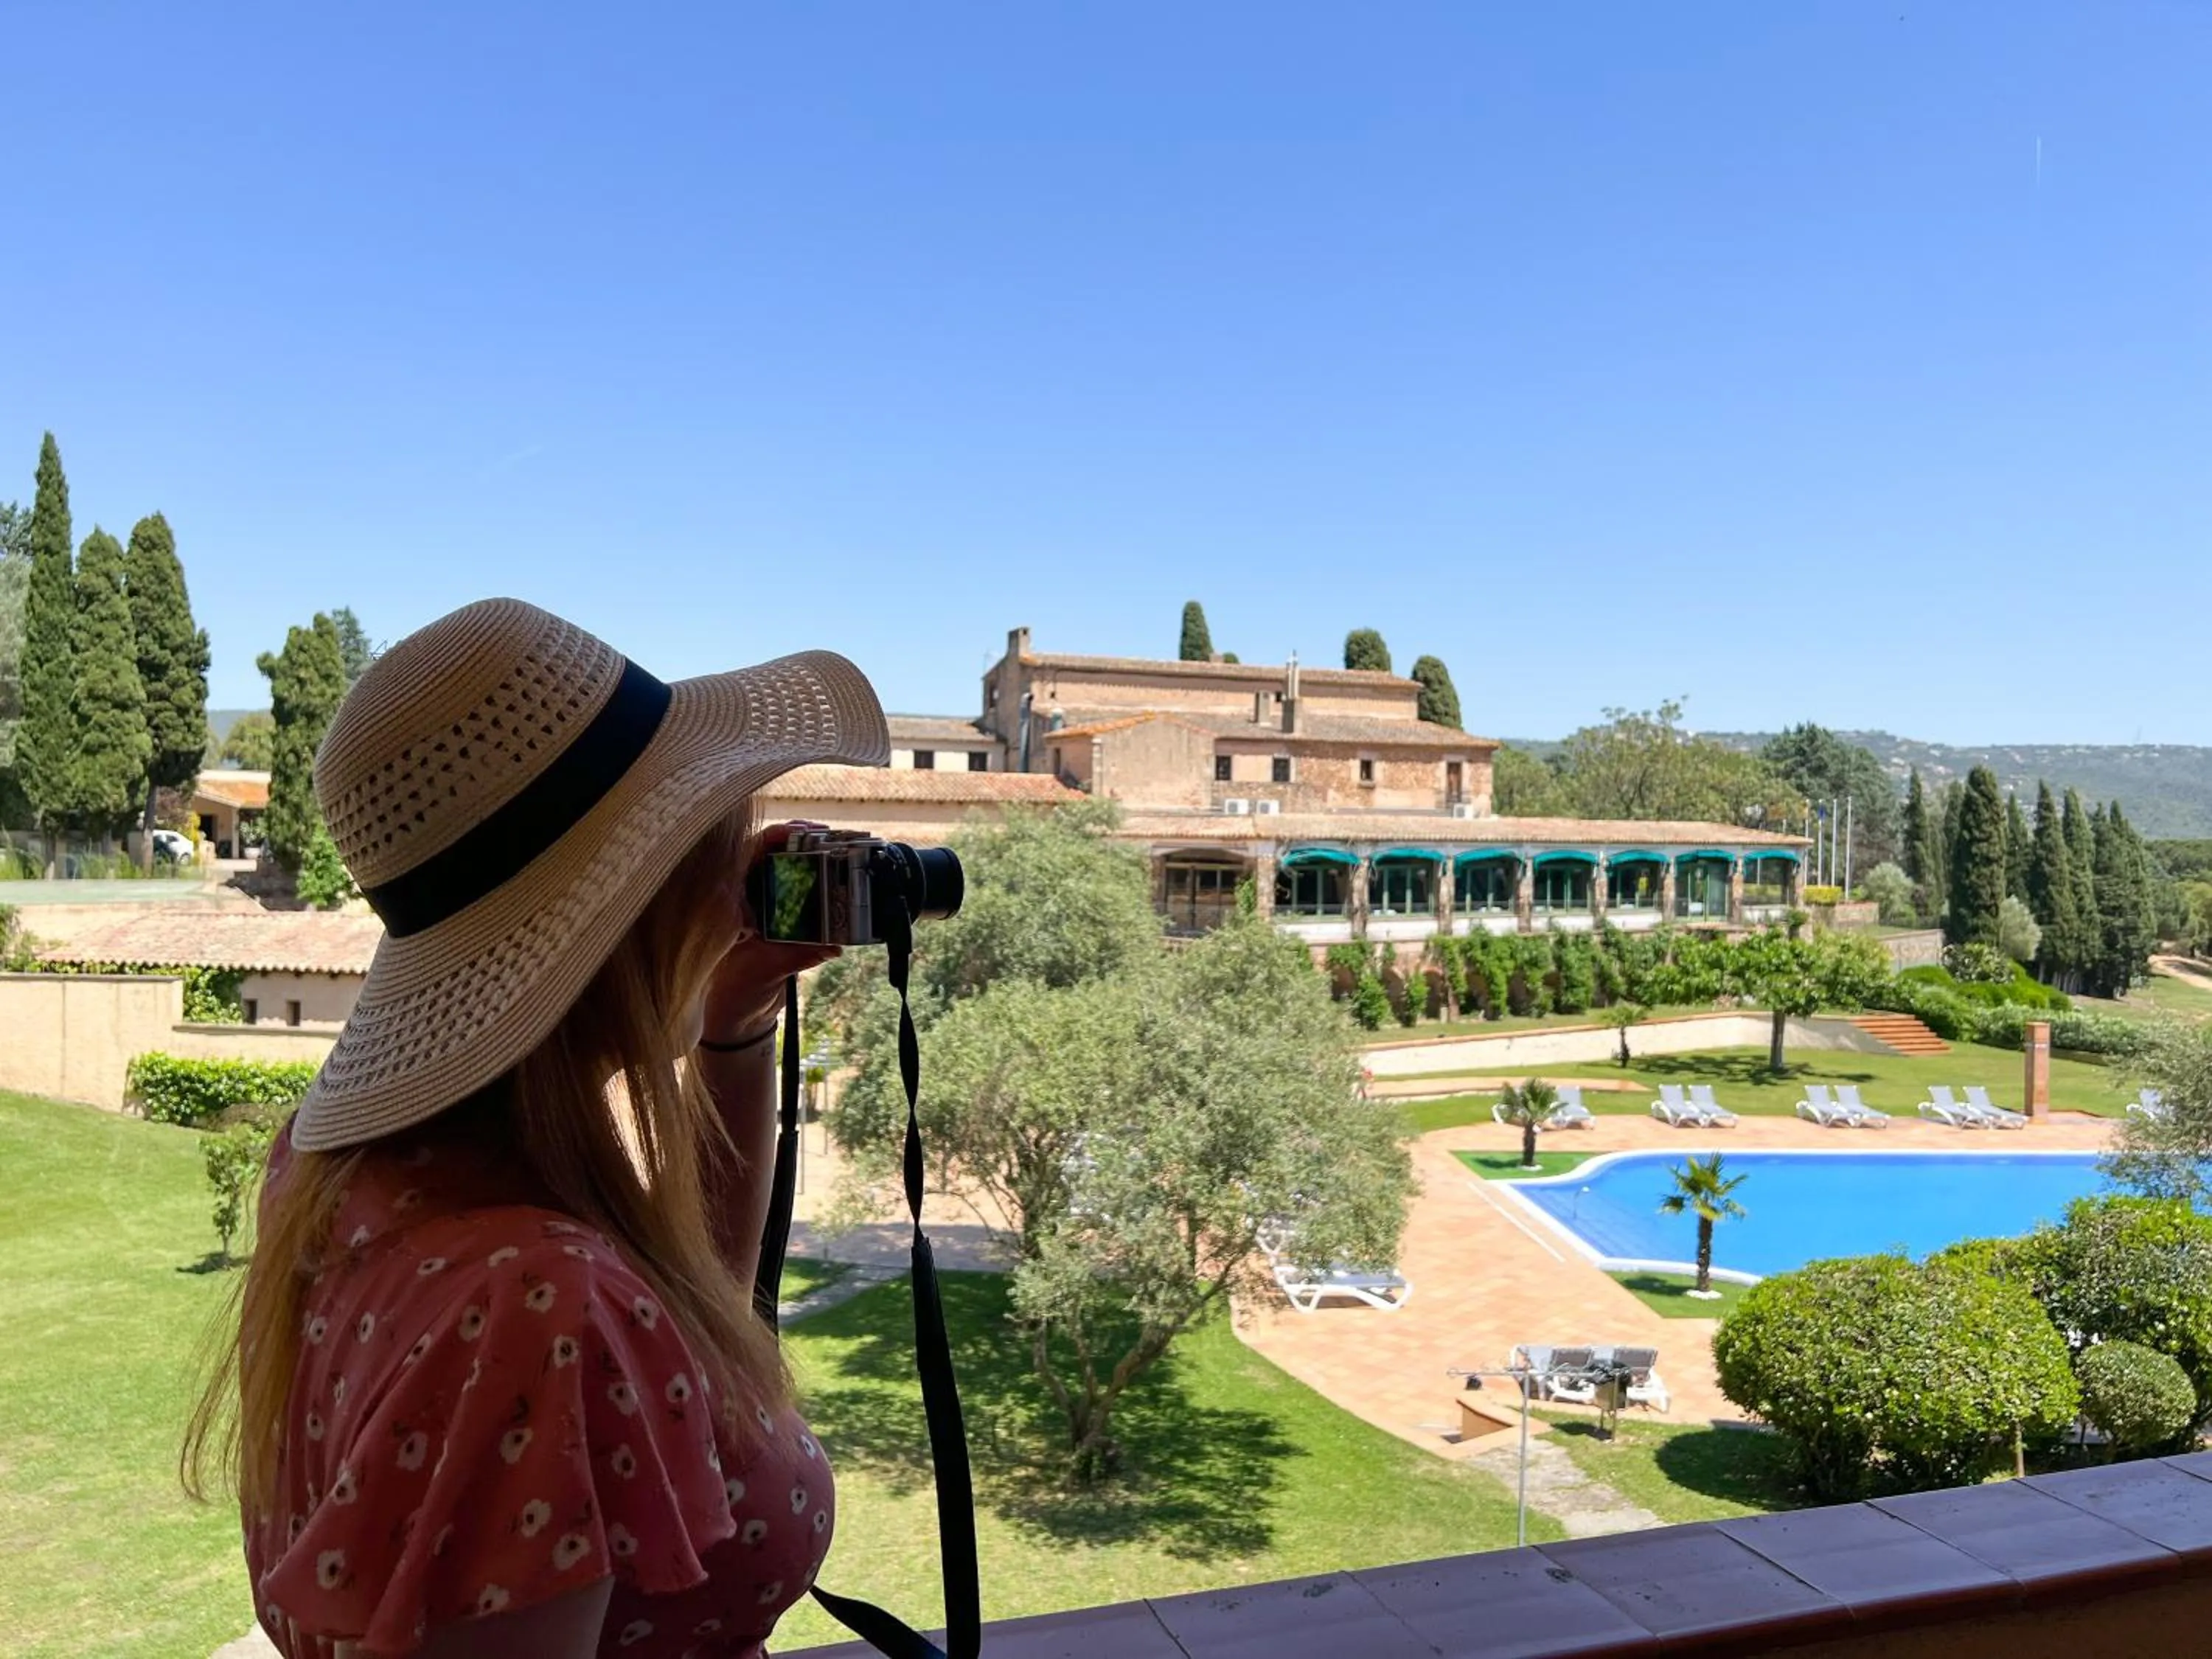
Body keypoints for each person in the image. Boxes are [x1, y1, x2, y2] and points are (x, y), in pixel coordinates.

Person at [183, 598, 891, 1658]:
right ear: (635, 906)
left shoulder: (333, 1170)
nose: (734, 877)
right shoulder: (537, 1307)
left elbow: (702, 1349)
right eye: (706, 835)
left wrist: (731, 1024)